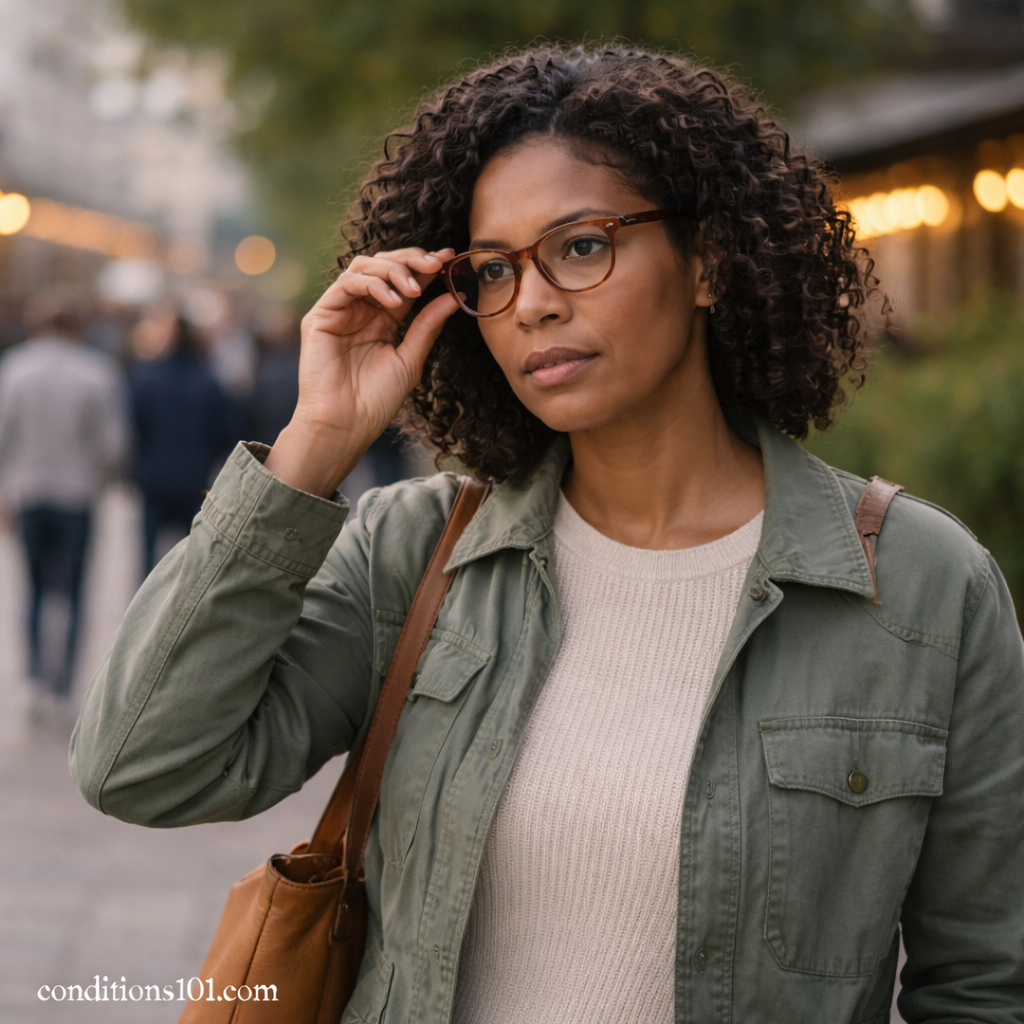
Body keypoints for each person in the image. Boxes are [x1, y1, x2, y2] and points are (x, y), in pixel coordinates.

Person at [71, 46, 1024, 1023]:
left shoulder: (915, 584)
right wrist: (314, 446)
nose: (530, 302)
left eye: (580, 245)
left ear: (708, 263)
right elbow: (140, 765)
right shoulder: (415, 553)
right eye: (492, 269)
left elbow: (987, 983)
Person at [0, 288, 126, 711]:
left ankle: (35, 677)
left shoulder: (16, 369)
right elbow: (113, 445)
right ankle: (64, 687)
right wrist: (99, 482)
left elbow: (3, 438)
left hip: (30, 489)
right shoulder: (97, 372)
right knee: (74, 591)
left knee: (33, 589)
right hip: (77, 493)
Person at [129, 316, 239, 575]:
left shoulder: (148, 377)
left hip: (154, 477)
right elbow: (223, 431)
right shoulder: (208, 379)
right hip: (194, 478)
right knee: (194, 556)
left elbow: (136, 426)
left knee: (148, 554)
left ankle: (146, 607)